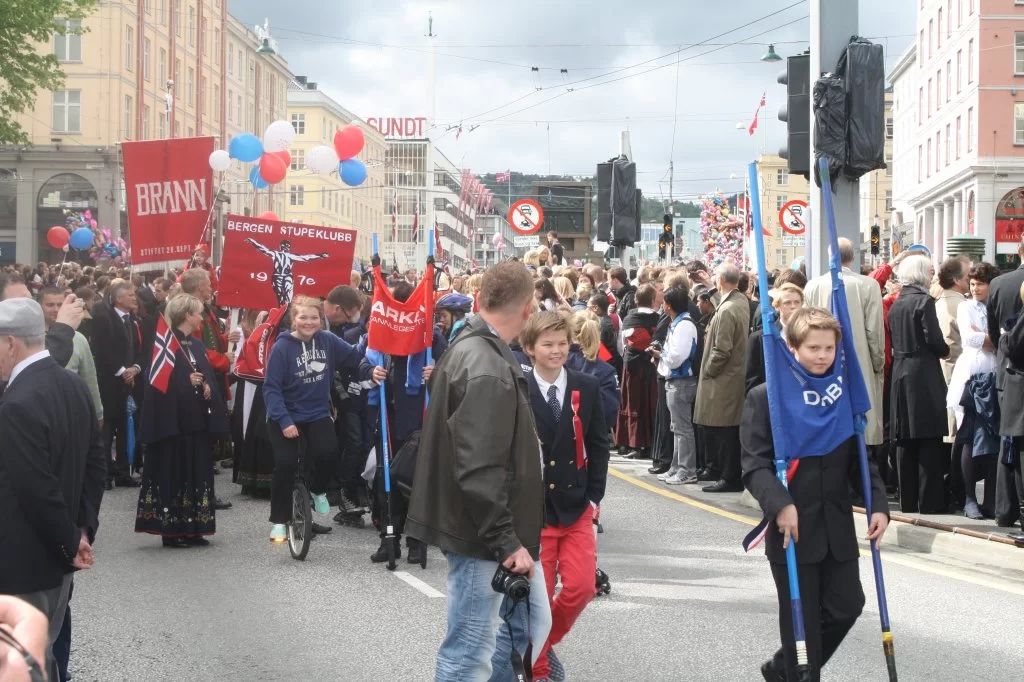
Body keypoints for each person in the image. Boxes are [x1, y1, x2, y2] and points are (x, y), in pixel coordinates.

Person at [405, 262, 551, 681]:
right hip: (479, 533)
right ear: (528, 308)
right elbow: (480, 466)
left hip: (481, 530)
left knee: (514, 633)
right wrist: (505, 539)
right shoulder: (485, 363)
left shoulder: (475, 348)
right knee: (470, 650)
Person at [742, 307, 889, 682]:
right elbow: (754, 465)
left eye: (829, 348)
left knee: (848, 606)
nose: (823, 356)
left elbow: (861, 460)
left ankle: (782, 669)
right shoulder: (766, 398)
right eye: (813, 348)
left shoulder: (842, 394)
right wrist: (780, 505)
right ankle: (797, 672)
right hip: (793, 528)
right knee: (800, 627)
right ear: (793, 347)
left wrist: (878, 504)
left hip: (836, 526)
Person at [0, 298, 105, 682]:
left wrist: (70, 539)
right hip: (60, 561)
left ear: (11, 343)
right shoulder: (73, 384)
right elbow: (97, 466)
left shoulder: (17, 403)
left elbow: (35, 489)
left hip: (23, 563)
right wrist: (82, 531)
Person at [516, 311, 608, 682]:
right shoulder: (518, 387)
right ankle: (536, 670)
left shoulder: (585, 386)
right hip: (535, 512)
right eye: (547, 344)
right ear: (529, 349)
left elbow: (600, 443)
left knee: (582, 588)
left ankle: (541, 644)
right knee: (537, 599)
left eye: (562, 343)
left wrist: (593, 495)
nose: (557, 351)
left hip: (575, 507)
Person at [262, 296, 381, 543]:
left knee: (329, 453)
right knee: (285, 464)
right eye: (303, 317)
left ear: (321, 319)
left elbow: (355, 358)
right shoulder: (282, 347)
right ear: (294, 319)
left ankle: (317, 491)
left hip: (316, 413)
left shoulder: (326, 340)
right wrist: (284, 421)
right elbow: (271, 388)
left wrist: (369, 369)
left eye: (314, 317)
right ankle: (279, 520)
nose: (308, 322)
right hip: (284, 415)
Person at [135, 294, 229, 547]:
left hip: (197, 421)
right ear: (187, 315)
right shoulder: (166, 344)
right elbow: (156, 383)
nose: (202, 317)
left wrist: (208, 385)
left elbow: (204, 373)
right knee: (174, 473)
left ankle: (195, 527)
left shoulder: (196, 344)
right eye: (198, 313)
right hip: (173, 424)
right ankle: (172, 530)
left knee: (197, 472)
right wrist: (185, 383)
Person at [804, 238, 886, 453]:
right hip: (860, 364)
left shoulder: (813, 285)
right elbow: (874, 332)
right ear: (853, 257)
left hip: (823, 366)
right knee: (861, 427)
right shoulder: (869, 285)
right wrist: (877, 364)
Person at [889, 255, 950, 514]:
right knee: (928, 436)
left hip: (900, 371)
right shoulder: (924, 302)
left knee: (905, 437)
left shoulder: (896, 303)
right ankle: (929, 502)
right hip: (923, 372)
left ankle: (908, 500)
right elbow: (935, 340)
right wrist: (946, 350)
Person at [946, 262, 1001, 520]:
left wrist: (991, 338)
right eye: (972, 283)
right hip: (971, 378)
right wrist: (994, 339)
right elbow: (970, 337)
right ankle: (969, 498)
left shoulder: (997, 305)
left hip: (994, 375)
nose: (975, 288)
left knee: (993, 440)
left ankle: (990, 499)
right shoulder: (966, 306)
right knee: (968, 437)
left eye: (981, 283)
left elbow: (1003, 338)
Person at [694, 263, 749, 492]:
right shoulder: (739, 302)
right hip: (731, 375)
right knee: (726, 430)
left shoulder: (728, 310)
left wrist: (708, 370)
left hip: (723, 378)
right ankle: (727, 474)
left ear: (721, 281)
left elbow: (722, 349)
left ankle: (729, 476)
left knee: (725, 432)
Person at [89, 280, 144, 489]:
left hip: (130, 381)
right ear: (119, 298)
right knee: (107, 430)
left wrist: (136, 368)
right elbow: (102, 350)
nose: (134, 298)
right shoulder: (104, 318)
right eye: (130, 295)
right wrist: (122, 371)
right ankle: (104, 475)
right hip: (110, 382)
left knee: (125, 428)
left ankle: (123, 472)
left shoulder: (132, 319)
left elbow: (140, 349)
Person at [986, 236, 1024, 529]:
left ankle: (1005, 509)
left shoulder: (1000, 284)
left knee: (1008, 441)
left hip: (1009, 372)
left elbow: (994, 334)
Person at [652, 285, 700, 485]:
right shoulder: (678, 323)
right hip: (675, 381)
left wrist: (660, 355)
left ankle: (687, 470)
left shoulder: (684, 325)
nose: (662, 305)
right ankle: (676, 466)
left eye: (664, 302)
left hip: (682, 381)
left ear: (669, 305)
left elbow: (677, 357)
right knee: (677, 427)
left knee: (683, 428)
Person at [615, 284, 660, 459]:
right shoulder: (660, 319)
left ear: (636, 299)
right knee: (651, 403)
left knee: (632, 403)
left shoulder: (628, 319)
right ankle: (651, 443)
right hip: (652, 366)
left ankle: (632, 442)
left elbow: (622, 345)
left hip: (632, 368)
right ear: (653, 300)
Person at [746, 283, 804, 393]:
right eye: (787, 303)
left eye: (797, 302)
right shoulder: (759, 338)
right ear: (777, 306)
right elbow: (752, 382)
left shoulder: (810, 335)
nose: (793, 306)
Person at [244, 238, 330, 306]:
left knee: (288, 298)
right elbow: (263, 249)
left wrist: (320, 256)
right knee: (280, 296)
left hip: (287, 276)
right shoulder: (275, 254)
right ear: (281, 246)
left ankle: (286, 313)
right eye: (285, 245)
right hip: (278, 276)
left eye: (287, 246)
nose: (286, 247)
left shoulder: (288, 255)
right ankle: (281, 313)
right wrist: (253, 241)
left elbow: (306, 258)